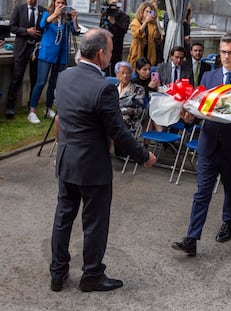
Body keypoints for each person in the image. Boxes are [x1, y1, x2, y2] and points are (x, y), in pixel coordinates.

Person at [49, 28, 156, 292]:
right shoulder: (104, 88)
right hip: (93, 166)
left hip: (66, 161)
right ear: (101, 54)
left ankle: (57, 272)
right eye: (110, 51)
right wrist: (143, 155)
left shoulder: (63, 77)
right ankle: (92, 275)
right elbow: (118, 131)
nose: (111, 55)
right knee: (94, 223)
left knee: (63, 218)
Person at [171, 33, 231, 256]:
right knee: (202, 193)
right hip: (209, 144)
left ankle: (228, 222)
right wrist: (190, 118)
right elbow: (201, 109)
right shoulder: (209, 78)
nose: (226, 56)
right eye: (222, 52)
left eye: (230, 52)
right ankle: (191, 238)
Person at [27, 0, 80, 124]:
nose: (60, 5)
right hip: (47, 53)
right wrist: (56, 13)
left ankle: (48, 108)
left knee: (54, 83)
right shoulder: (47, 14)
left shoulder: (67, 17)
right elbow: (42, 25)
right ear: (54, 3)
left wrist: (75, 19)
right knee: (41, 82)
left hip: (61, 54)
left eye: (62, 2)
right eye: (58, 2)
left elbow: (76, 31)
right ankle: (32, 111)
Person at [5, 0, 46, 119]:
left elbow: (45, 28)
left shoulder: (43, 11)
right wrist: (26, 31)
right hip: (21, 49)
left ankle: (31, 106)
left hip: (36, 50)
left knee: (35, 79)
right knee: (16, 77)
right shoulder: (19, 9)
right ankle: (10, 107)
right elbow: (12, 27)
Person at [99, 0, 130, 76]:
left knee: (115, 72)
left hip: (116, 48)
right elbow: (101, 29)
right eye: (112, 4)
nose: (113, 6)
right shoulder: (106, 14)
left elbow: (122, 32)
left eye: (116, 4)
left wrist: (114, 23)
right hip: (105, 49)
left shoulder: (124, 17)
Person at [127, 2, 161, 69]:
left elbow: (158, 38)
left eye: (150, 12)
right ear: (142, 12)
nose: (148, 13)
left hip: (149, 51)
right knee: (136, 69)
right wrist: (145, 22)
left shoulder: (152, 24)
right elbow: (137, 34)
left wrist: (156, 24)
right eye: (147, 11)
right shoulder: (135, 22)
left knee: (148, 69)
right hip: (138, 50)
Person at [114, 61, 145, 130]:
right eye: (122, 73)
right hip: (113, 115)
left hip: (129, 120)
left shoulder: (138, 89)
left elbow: (138, 110)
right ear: (117, 75)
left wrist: (121, 110)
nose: (125, 76)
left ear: (131, 74)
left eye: (127, 73)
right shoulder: (113, 88)